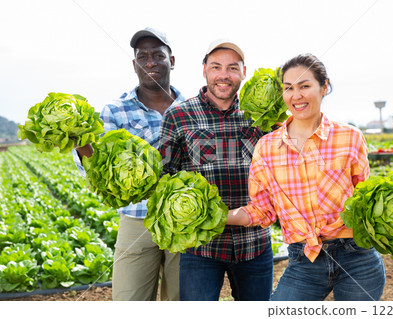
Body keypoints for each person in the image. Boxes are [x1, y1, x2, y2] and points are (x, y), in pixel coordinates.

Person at [228, 53, 386, 301]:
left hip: (357, 257)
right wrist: (219, 217)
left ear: (324, 87)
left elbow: (366, 201)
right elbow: (262, 210)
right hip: (304, 259)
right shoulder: (266, 147)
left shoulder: (350, 137)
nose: (296, 95)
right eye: (288, 88)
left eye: (304, 86)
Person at [73, 27, 184, 301]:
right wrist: (76, 138)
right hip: (137, 220)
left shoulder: (192, 108)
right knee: (129, 300)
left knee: (184, 300)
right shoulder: (115, 109)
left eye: (158, 55)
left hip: (184, 220)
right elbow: (96, 166)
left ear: (171, 61)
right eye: (142, 56)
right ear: (134, 64)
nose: (150, 62)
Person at [158, 39, 273, 301]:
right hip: (201, 247)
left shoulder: (261, 116)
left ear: (244, 72)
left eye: (233, 68)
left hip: (254, 243)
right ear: (204, 70)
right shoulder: (179, 116)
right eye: (216, 67)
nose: (224, 75)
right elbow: (165, 178)